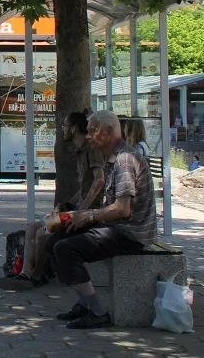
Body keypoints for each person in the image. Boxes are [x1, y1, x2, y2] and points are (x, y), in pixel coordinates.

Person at [46, 110, 157, 329]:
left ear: (109, 131)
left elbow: (123, 209)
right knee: (52, 242)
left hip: (131, 234)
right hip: (116, 227)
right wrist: (79, 216)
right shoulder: (113, 158)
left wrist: (90, 215)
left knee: (66, 249)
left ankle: (97, 312)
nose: (88, 136)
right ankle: (84, 303)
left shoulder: (125, 160)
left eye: (92, 131)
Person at [0, 108, 104, 291]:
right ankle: (25, 273)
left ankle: (36, 276)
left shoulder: (91, 149)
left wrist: (80, 211)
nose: (62, 129)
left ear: (74, 128)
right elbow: (84, 189)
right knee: (32, 227)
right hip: (77, 209)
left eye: (65, 126)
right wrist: (67, 204)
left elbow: (99, 180)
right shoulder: (80, 151)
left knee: (42, 233)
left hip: (89, 213)